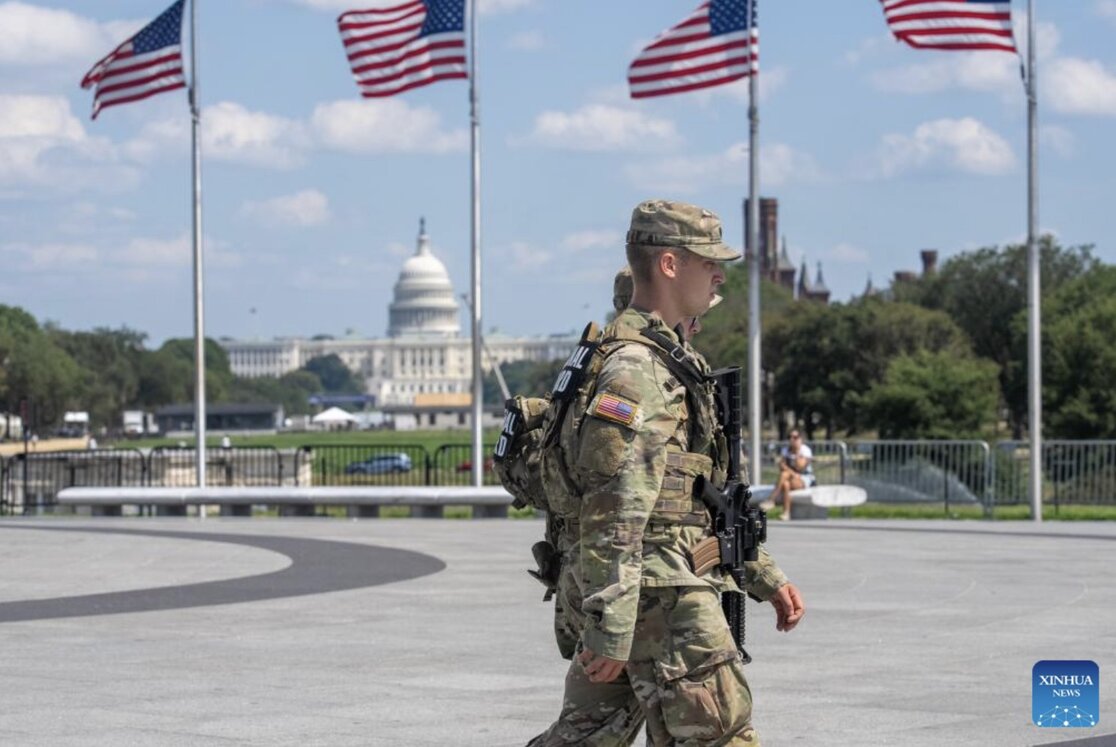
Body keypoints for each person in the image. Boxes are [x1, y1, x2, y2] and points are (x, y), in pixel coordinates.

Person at [529, 199, 805, 746]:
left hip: (644, 584)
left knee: (587, 736)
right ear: (670, 264)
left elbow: (699, 494)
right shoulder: (634, 371)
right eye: (708, 261)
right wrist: (611, 625)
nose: (719, 274)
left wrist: (761, 573)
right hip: (656, 589)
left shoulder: (660, 362)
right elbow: (616, 508)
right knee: (720, 733)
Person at [763, 430, 814, 521]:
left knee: (784, 474)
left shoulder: (805, 450)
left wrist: (796, 452)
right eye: (790, 437)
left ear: (800, 439)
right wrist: (791, 472)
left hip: (804, 478)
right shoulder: (786, 450)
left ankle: (771, 499)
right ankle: (786, 513)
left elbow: (800, 467)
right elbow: (781, 466)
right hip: (791, 478)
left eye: (795, 437)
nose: (792, 439)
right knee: (786, 483)